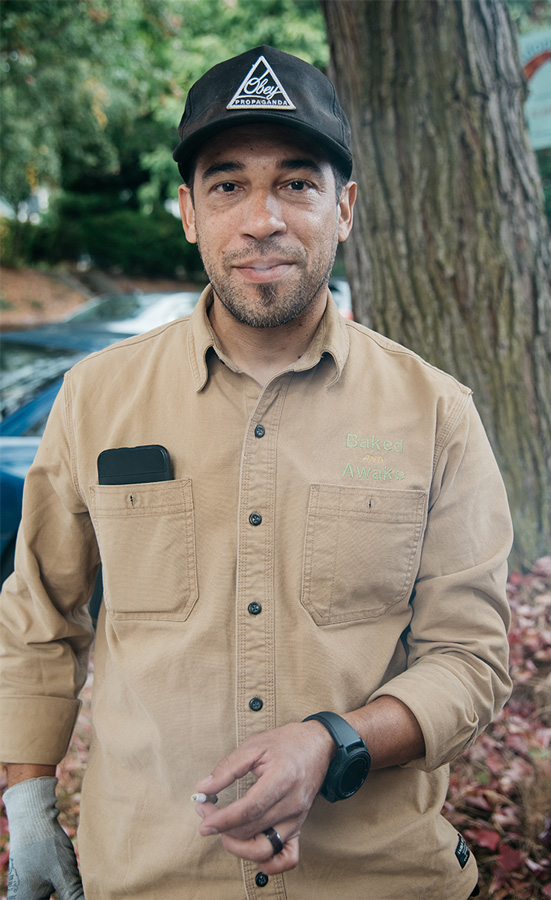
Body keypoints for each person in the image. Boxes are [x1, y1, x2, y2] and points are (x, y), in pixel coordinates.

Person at [0, 46, 512, 899]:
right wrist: (26, 802)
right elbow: (41, 617)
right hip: (149, 874)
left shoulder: (436, 412)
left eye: (297, 184)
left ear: (344, 208)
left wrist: (332, 742)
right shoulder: (96, 398)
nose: (262, 218)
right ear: (189, 212)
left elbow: (472, 657)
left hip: (376, 879)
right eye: (228, 184)